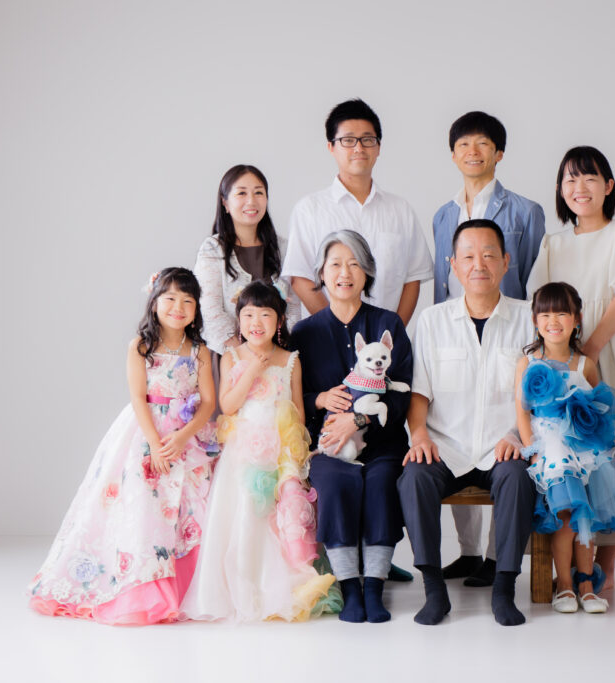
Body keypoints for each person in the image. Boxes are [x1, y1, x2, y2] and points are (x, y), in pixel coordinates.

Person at [28, 268, 219, 624]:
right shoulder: (140, 347)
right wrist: (155, 444)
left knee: (191, 507)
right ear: (155, 302)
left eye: (187, 301)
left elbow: (208, 402)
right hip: (146, 433)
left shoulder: (201, 351)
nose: (178, 307)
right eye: (170, 298)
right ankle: (143, 587)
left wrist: (182, 436)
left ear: (196, 309)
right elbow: (137, 397)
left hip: (186, 435)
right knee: (144, 505)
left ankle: (188, 589)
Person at [526, 145, 615, 585]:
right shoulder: (553, 244)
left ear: (608, 186)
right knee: (573, 455)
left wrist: (591, 350)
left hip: (613, 349)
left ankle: (606, 565)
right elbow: (541, 305)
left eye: (589, 178)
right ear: (560, 189)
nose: (579, 188)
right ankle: (576, 568)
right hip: (563, 360)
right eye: (570, 179)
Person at [398, 219, 535, 626]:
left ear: (506, 262)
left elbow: (539, 395)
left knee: (519, 478)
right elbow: (419, 392)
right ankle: (434, 591)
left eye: (489, 255)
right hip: (447, 446)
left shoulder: (529, 319)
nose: (479, 264)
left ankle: (504, 589)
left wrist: (517, 435)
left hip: (503, 445)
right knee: (413, 477)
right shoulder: (432, 320)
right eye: (469, 256)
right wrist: (419, 434)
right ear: (453, 265)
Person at [181, 281, 339, 622]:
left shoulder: (291, 360)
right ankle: (244, 587)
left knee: (282, 517)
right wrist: (252, 369)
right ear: (239, 320)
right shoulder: (232, 357)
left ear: (279, 321)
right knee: (244, 514)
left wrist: (293, 453)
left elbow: (298, 412)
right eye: (249, 315)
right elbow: (228, 405)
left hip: (280, 449)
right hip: (244, 450)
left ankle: (283, 585)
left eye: (265, 315)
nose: (256, 322)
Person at [433, 111, 546, 586]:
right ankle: (468, 552)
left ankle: (499, 556)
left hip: (508, 333)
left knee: (504, 435)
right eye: (463, 144)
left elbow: (533, 278)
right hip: (456, 335)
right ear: (453, 154)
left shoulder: (525, 211)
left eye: (482, 143)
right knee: (456, 429)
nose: (472, 152)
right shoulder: (443, 214)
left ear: (499, 153)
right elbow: (441, 281)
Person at [291, 231, 412, 623]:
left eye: (355, 264)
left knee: (381, 483)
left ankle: (374, 587)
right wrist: (320, 400)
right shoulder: (304, 333)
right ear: (321, 274)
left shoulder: (388, 324)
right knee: (334, 482)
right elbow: (292, 396)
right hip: (328, 443)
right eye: (336, 265)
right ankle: (349, 588)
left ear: (367, 273)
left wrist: (359, 419)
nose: (345, 273)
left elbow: (404, 393)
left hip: (384, 441)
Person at [516, 283, 615, 614]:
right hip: (550, 450)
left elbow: (599, 407)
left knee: (587, 516)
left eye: (562, 313)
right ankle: (566, 586)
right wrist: (533, 450)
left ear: (577, 319)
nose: (553, 321)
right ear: (535, 321)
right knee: (567, 517)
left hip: (584, 449)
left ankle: (587, 585)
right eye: (545, 314)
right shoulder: (527, 362)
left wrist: (607, 443)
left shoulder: (584, 364)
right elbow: (522, 413)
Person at [282, 98, 433, 326]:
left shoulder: (400, 210)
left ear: (378, 147)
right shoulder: (309, 210)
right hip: (328, 339)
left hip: (385, 342)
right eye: (348, 140)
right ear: (331, 147)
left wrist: (391, 334)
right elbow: (300, 277)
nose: (359, 148)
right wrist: (337, 330)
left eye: (367, 140)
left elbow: (412, 278)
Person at [194, 164, 299, 355]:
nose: (251, 201)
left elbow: (293, 310)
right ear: (225, 202)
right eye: (241, 193)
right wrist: (247, 357)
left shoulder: (283, 248)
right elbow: (210, 312)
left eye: (259, 193)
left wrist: (278, 355)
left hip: (278, 359)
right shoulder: (212, 249)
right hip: (229, 358)